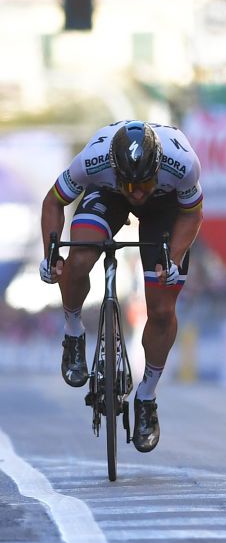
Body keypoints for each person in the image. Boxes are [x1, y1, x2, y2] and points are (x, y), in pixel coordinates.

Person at [39, 120, 204, 453]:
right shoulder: (93, 160)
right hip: (108, 195)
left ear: (158, 167)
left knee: (160, 308)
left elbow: (192, 214)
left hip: (166, 207)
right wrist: (50, 255)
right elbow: (53, 202)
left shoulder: (183, 164)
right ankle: (73, 333)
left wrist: (173, 258)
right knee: (79, 260)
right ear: (114, 168)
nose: (138, 193)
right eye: (132, 184)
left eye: (144, 183)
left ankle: (147, 397)